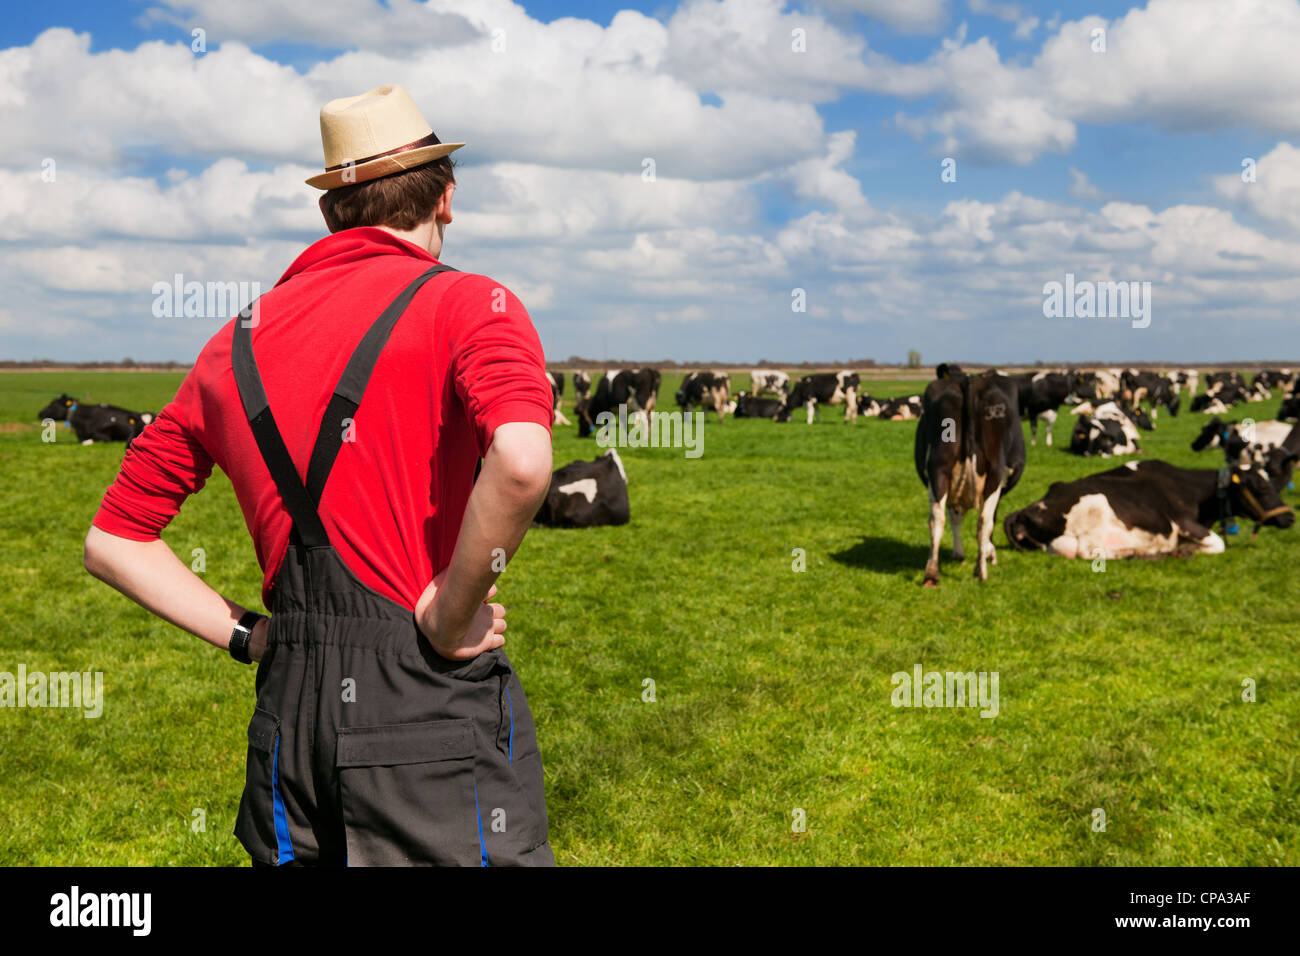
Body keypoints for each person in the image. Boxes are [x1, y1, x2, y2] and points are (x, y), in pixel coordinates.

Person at [84, 83, 557, 866]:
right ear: (447, 198)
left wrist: (253, 636)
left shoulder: (229, 345)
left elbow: (112, 541)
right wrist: (447, 615)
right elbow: (522, 457)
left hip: (288, 715)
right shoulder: (472, 306)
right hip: (423, 702)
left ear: (332, 211)